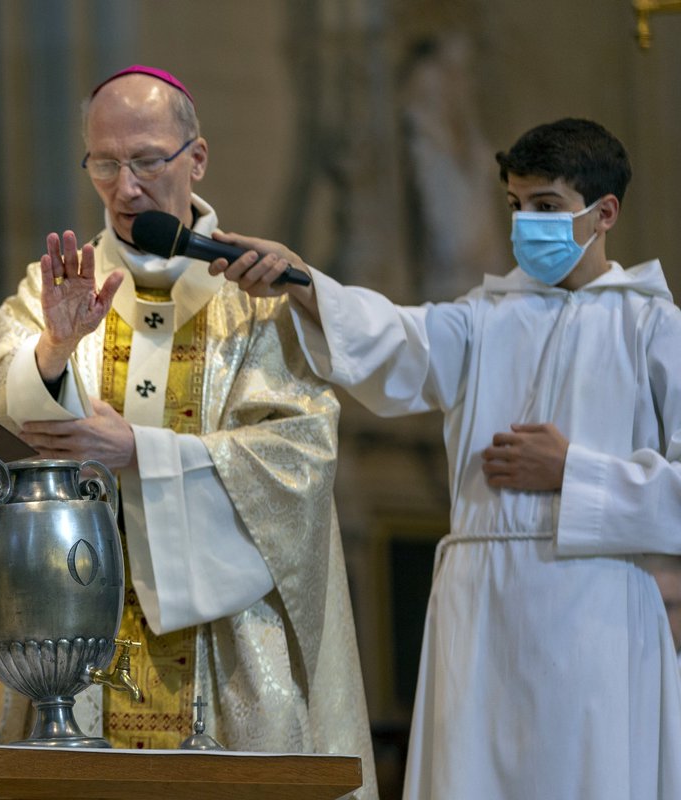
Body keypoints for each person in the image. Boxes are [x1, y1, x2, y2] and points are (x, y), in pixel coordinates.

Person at [211, 118, 681, 799]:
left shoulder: (655, 328)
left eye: (546, 207)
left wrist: (573, 472)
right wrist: (300, 279)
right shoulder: (484, 319)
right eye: (518, 206)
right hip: (480, 610)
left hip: (595, 611)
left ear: (604, 213)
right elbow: (395, 338)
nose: (527, 225)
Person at [0, 65, 377, 798]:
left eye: (147, 161)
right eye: (104, 163)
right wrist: (55, 353)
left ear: (196, 159)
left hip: (229, 661)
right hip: (83, 651)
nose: (124, 189)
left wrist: (141, 454)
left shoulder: (255, 298)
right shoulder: (54, 288)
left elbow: (299, 462)